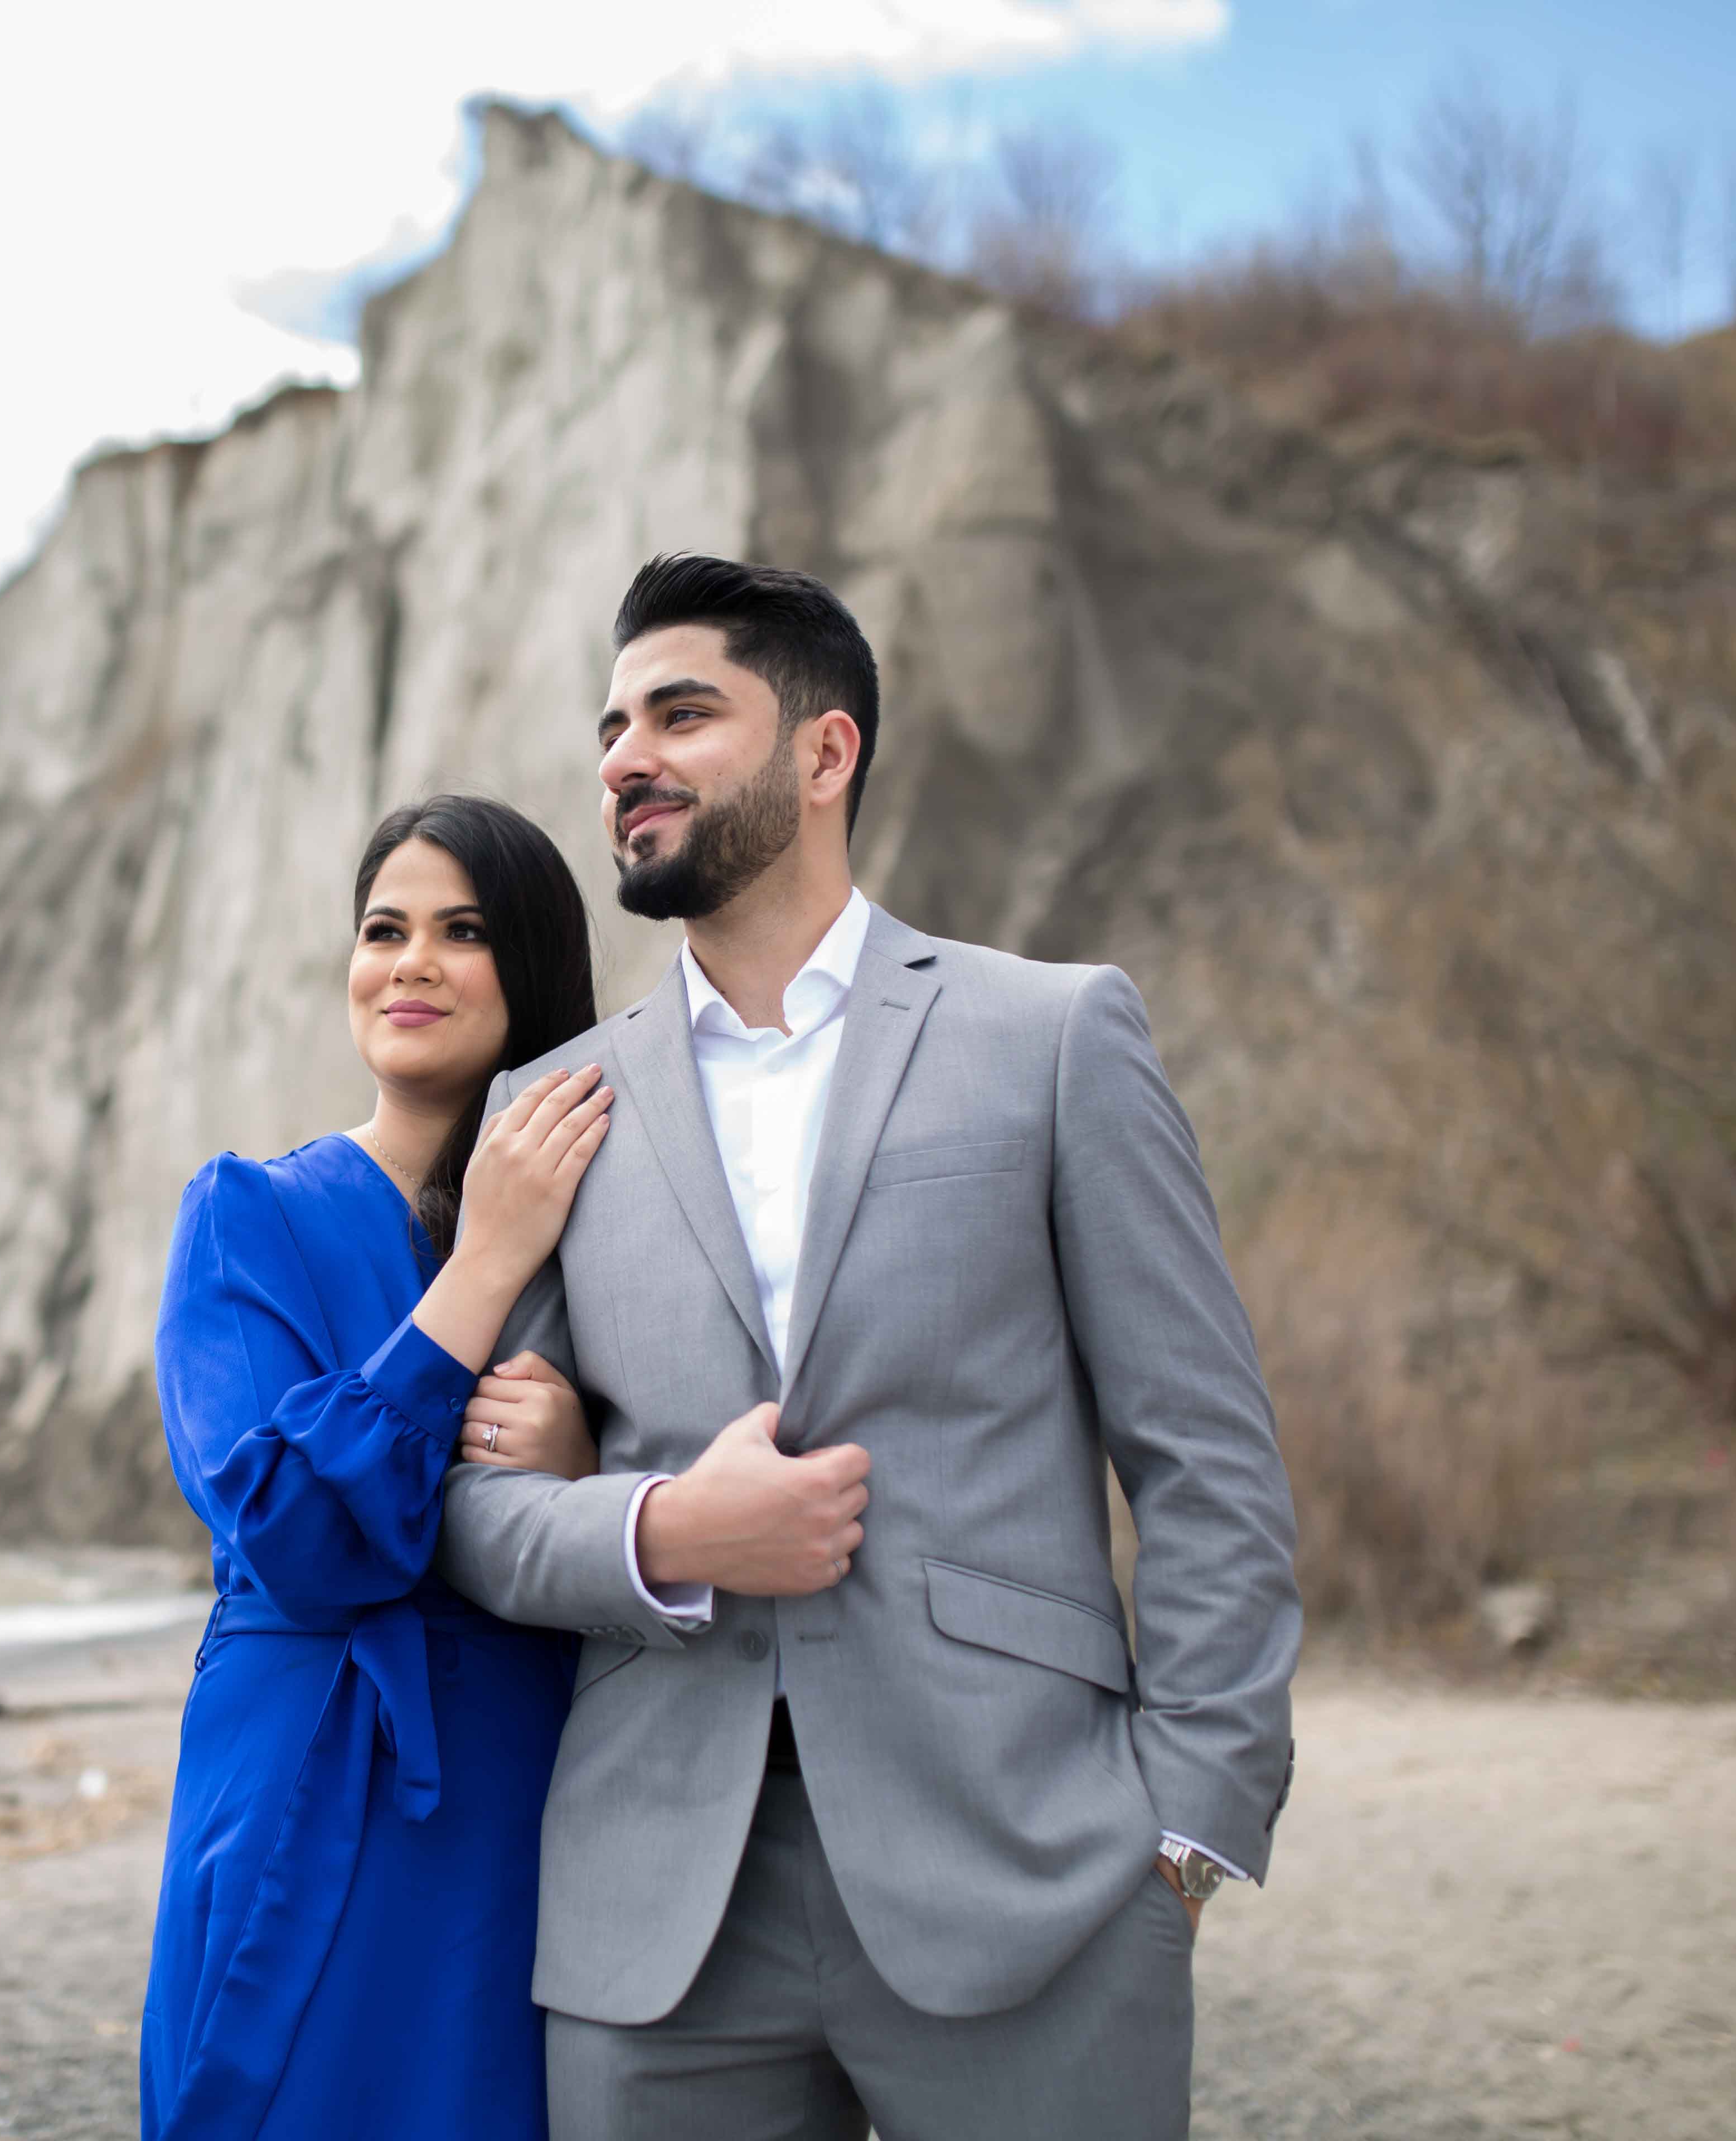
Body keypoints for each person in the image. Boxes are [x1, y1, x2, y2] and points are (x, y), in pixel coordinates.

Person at [437, 555, 1303, 2141]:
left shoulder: (1050, 1036)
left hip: (1031, 1862)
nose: (627, 754)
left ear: (825, 753)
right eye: (616, 720)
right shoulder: (550, 1110)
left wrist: (1191, 1825)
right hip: (660, 1911)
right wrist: (663, 1528)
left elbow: (1205, 1457)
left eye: (684, 712)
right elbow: (477, 1513)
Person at [139, 793, 620, 2141]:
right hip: (311, 1780)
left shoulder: (617, 1222)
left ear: (529, 967)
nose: (409, 961)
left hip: (527, 1783)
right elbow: (289, 1526)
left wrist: (584, 1467)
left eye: (461, 931)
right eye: (383, 928)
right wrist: (482, 1267)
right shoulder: (249, 1213)